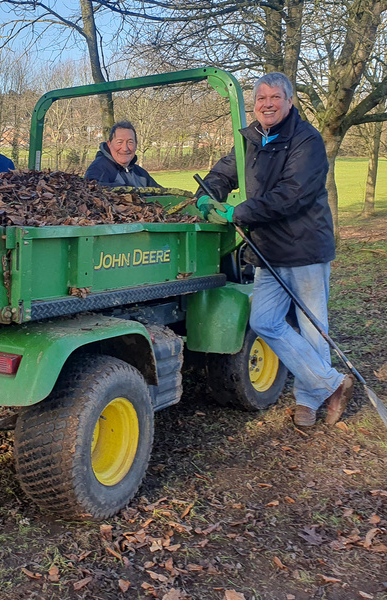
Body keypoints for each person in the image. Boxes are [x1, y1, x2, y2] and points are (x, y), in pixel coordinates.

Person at [195, 71, 355, 428]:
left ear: (289, 101)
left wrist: (239, 212)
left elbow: (291, 195)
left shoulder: (307, 140)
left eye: (274, 98)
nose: (267, 104)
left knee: (313, 328)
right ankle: (332, 383)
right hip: (267, 249)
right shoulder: (250, 139)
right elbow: (222, 173)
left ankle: (308, 403)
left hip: (305, 249)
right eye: (261, 99)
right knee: (264, 321)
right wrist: (208, 195)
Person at [85, 121, 159, 188]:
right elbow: (92, 191)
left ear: (136, 145)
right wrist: (128, 189)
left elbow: (164, 194)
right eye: (119, 142)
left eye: (130, 142)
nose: (125, 148)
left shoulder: (141, 174)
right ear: (109, 144)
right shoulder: (98, 169)